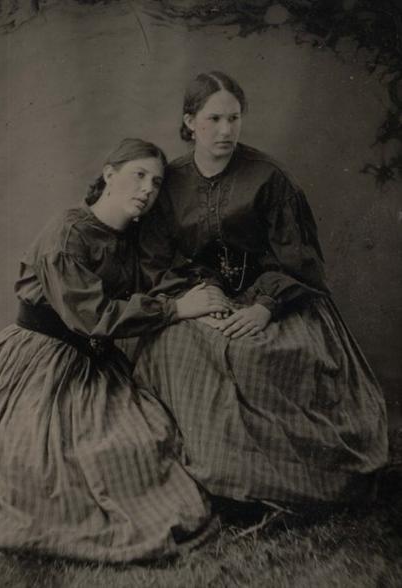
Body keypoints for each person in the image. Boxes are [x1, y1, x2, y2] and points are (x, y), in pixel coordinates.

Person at [0, 138, 229, 562]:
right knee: (34, 462)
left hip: (94, 364)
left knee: (143, 441)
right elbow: (91, 316)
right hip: (38, 361)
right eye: (138, 175)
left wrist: (206, 292)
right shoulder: (67, 232)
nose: (147, 189)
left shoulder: (133, 235)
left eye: (156, 181)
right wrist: (176, 308)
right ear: (109, 175)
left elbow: (160, 275)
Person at [136, 72, 389, 508]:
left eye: (234, 118)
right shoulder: (170, 183)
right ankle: (214, 471)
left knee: (259, 353)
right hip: (200, 298)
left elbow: (301, 262)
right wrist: (200, 297)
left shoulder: (269, 178)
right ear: (190, 121)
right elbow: (157, 259)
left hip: (280, 296)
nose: (226, 130)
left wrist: (265, 307)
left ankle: (275, 480)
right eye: (214, 119)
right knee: (177, 346)